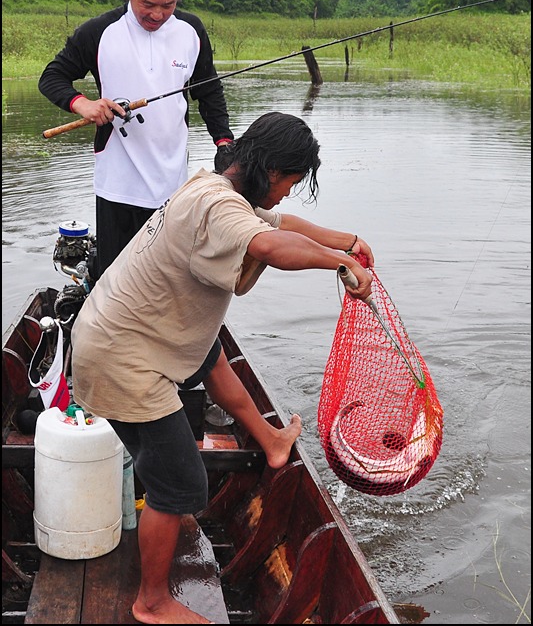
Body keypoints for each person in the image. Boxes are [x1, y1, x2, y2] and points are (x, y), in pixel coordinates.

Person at [70, 111, 374, 625]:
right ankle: (153, 603)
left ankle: (271, 440)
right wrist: (341, 265)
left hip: (130, 332)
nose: (285, 196)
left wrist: (345, 241)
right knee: (178, 481)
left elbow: (283, 226)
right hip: (124, 356)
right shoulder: (217, 207)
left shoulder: (217, 188)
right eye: (290, 183)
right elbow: (271, 246)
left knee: (210, 355)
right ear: (271, 169)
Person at [39, 0, 234, 278]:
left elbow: (209, 91)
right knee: (115, 275)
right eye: (148, 4)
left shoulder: (191, 31)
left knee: (165, 274)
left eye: (168, 5)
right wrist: (83, 104)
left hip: (172, 180)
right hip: (117, 179)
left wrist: (224, 141)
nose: (157, 15)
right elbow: (52, 77)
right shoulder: (99, 31)